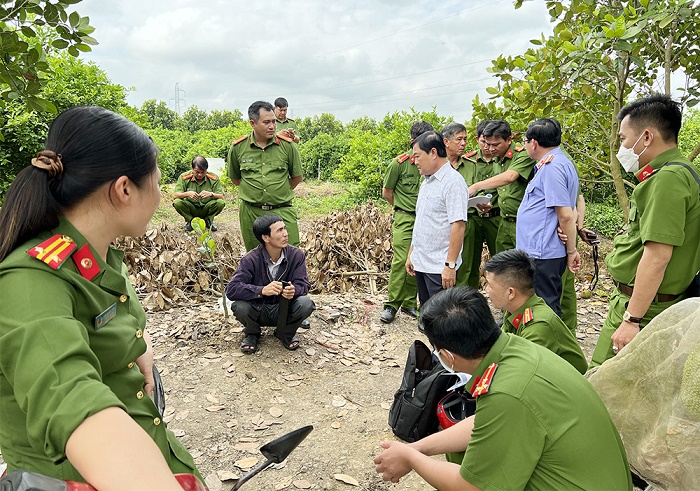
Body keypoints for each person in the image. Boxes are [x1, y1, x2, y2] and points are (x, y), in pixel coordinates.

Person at [0, 106, 202, 490]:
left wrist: (138, 345)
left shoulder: (98, 252)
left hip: (150, 442)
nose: (159, 195)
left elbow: (112, 316)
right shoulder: (30, 281)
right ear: (124, 189)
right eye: (156, 182)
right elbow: (69, 398)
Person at [373, 287, 633, 490]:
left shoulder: (508, 392)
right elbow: (483, 422)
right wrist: (417, 448)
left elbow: (471, 487)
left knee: (474, 470)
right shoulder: (516, 350)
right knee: (462, 449)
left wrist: (411, 459)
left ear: (447, 356)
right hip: (592, 479)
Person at [591, 94, 700, 367]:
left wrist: (631, 319)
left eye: (625, 139)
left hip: (644, 308)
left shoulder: (667, 180)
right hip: (651, 303)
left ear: (647, 137)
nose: (622, 148)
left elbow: (657, 256)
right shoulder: (683, 172)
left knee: (599, 384)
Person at [483, 249, 587, 374]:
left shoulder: (539, 325)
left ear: (510, 293)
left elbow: (519, 372)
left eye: (490, 285)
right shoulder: (514, 309)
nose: (486, 290)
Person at [516, 118, 581, 317]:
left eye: (525, 141)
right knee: (537, 305)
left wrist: (572, 250)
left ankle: (548, 346)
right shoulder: (558, 163)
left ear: (533, 143)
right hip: (540, 250)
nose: (525, 145)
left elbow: (566, 215)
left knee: (545, 309)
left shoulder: (552, 168)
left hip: (543, 252)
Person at [225, 214, 316, 354]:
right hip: (259, 309)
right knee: (239, 306)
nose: (285, 234)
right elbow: (231, 289)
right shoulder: (250, 259)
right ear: (266, 237)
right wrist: (261, 290)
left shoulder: (296, 255)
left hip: (284, 309)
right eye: (279, 231)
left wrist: (294, 291)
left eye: (284, 228)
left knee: (306, 303)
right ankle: (252, 334)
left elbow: (303, 285)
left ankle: (285, 333)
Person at [406, 131, 470, 312]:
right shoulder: (426, 182)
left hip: (439, 267)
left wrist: (450, 265)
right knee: (427, 315)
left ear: (433, 152)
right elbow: (422, 220)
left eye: (418, 156)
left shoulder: (453, 183)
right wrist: (412, 252)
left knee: (442, 319)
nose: (415, 161)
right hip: (422, 262)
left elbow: (458, 225)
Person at [227, 100, 304, 251]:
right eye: (266, 122)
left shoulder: (287, 146)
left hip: (282, 210)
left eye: (274, 122)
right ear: (252, 123)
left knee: (290, 255)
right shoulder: (238, 148)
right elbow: (235, 178)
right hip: (251, 213)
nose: (272, 126)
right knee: (256, 259)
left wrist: (278, 193)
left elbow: (297, 177)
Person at [379, 121, 433, 324]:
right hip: (405, 217)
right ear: (413, 142)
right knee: (403, 260)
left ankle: (410, 302)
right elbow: (387, 192)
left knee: (418, 260)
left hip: (425, 217)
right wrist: (401, 208)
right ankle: (392, 304)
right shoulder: (399, 164)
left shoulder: (432, 165)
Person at [467, 120, 535, 253]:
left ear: (509, 140)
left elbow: (509, 177)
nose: (490, 149)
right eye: (487, 144)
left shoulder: (523, 155)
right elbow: (499, 190)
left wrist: (475, 186)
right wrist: (488, 203)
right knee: (503, 267)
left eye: (495, 144)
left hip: (523, 223)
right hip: (504, 222)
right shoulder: (497, 159)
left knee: (527, 266)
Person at [444, 122, 498, 289]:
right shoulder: (437, 165)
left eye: (465, 139)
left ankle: (467, 302)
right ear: (446, 141)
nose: (463, 143)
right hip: (442, 222)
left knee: (467, 266)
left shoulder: (471, 166)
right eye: (459, 139)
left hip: (468, 221)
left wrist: (481, 204)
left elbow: (476, 192)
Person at [172, 156, 225, 231]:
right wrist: (187, 194)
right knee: (177, 202)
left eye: (203, 172)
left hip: (206, 207)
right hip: (191, 207)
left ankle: (208, 220)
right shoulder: (184, 177)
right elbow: (175, 195)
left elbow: (221, 197)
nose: (200, 175)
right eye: (197, 172)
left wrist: (211, 194)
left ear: (207, 170)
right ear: (192, 169)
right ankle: (190, 221)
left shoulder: (213, 178)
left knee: (220, 203)